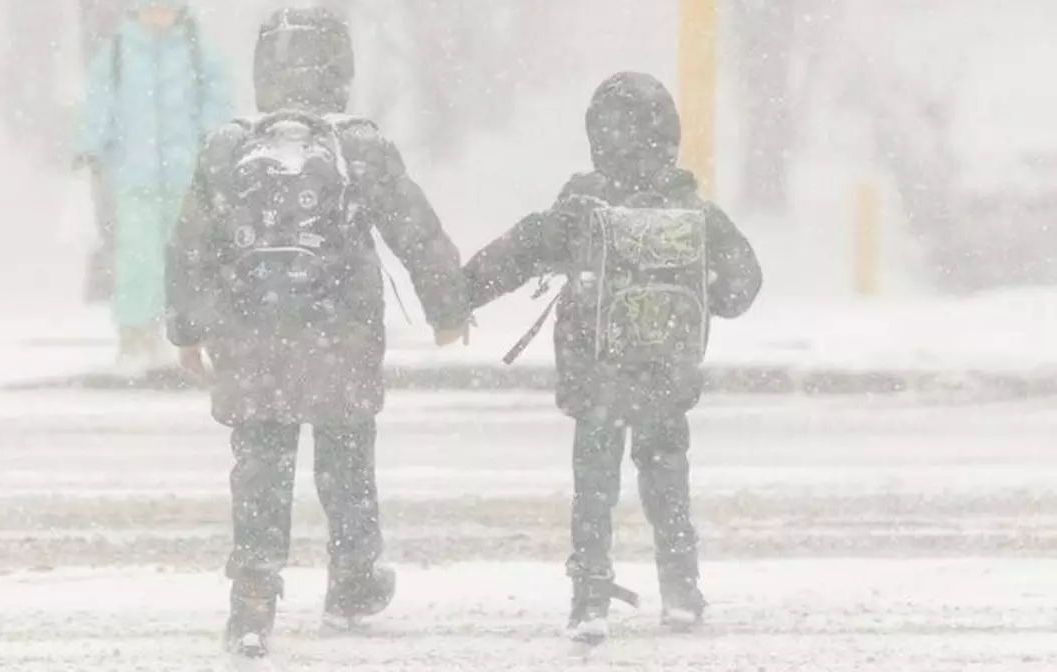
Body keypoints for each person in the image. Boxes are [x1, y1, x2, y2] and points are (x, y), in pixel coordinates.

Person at [164, 6, 470, 663]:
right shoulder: (359, 145)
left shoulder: (225, 147)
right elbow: (415, 228)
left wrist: (186, 329)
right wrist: (448, 306)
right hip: (342, 338)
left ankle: (252, 597)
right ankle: (354, 577)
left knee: (261, 470)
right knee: (347, 463)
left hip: (250, 343)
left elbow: (190, 245)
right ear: (342, 69)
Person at [462, 72, 763, 646]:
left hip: (597, 376)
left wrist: (456, 297)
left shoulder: (580, 207)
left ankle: (590, 598)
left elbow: (518, 252)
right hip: (666, 379)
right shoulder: (693, 209)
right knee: (667, 478)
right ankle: (681, 589)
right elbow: (741, 290)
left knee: (594, 485)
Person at [76, 0, 232, 375]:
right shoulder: (119, 51)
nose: (158, 16)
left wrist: (214, 142)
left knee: (183, 260)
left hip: (186, 176)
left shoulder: (195, 50)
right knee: (136, 258)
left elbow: (216, 99)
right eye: (151, 8)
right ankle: (134, 337)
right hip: (134, 175)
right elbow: (99, 102)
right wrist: (90, 147)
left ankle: (174, 336)